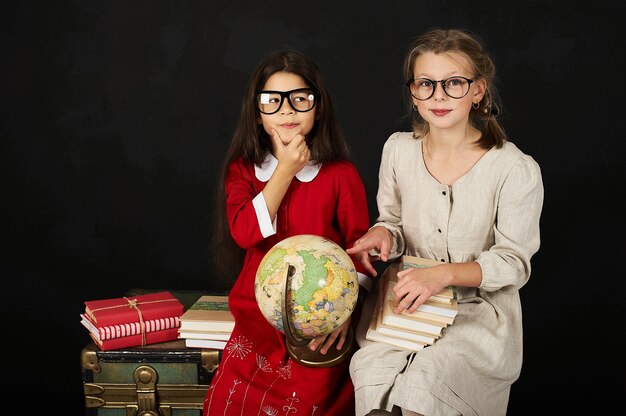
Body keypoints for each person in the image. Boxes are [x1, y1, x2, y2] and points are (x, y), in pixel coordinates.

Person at [346, 28, 544, 416]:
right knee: (373, 369)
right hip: (406, 307)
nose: (438, 95)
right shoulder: (398, 150)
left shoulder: (514, 168)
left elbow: (514, 263)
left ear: (478, 91)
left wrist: (443, 274)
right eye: (426, 84)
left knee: (431, 375)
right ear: (413, 92)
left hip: (478, 316)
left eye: (454, 83)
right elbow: (394, 222)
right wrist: (383, 233)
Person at [203, 49, 372, 416]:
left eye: (299, 99)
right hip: (257, 321)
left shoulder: (340, 174)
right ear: (257, 113)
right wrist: (284, 170)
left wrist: (344, 311)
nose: (286, 111)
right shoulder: (244, 171)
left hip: (321, 321)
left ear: (318, 108)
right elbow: (245, 233)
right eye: (272, 101)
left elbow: (361, 248)